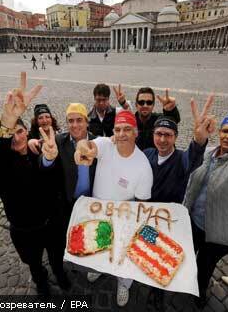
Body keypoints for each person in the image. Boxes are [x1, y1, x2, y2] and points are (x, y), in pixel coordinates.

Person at [0, 72, 69, 295]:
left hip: (49, 223)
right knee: (34, 262)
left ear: (27, 131)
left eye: (20, 131)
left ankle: (59, 273)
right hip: (24, 229)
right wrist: (7, 121)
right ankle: (41, 280)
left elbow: (53, 181)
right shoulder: (2, 164)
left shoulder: (39, 151)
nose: (17, 137)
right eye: (11, 134)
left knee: (55, 255)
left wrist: (50, 160)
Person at [75, 110, 153, 307]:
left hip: (124, 218)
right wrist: (84, 149)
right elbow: (85, 144)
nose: (121, 134)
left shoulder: (143, 166)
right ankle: (99, 268)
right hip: (97, 212)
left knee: (122, 253)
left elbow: (142, 205)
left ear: (136, 132)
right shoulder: (105, 144)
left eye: (127, 129)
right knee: (99, 242)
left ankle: (124, 283)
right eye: (117, 129)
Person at [184, 112, 228, 306]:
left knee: (204, 264)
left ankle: (200, 289)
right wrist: (198, 141)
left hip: (219, 233)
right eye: (225, 130)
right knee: (186, 255)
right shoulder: (208, 153)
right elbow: (190, 170)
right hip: (194, 221)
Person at [146, 94, 215, 204]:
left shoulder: (182, 159)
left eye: (168, 135)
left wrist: (199, 139)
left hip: (171, 216)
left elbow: (194, 156)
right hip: (146, 213)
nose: (162, 139)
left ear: (176, 137)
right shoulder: (147, 154)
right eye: (158, 134)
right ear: (153, 135)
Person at [42, 103, 97, 230]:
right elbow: (45, 162)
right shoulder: (58, 141)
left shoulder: (96, 143)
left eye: (79, 120)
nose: (75, 125)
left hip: (92, 202)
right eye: (71, 121)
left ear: (87, 122)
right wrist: (47, 159)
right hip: (67, 203)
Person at [114, 85, 181, 150]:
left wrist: (171, 110)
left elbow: (173, 120)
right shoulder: (131, 123)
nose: (145, 105)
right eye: (141, 102)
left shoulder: (159, 121)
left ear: (153, 105)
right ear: (136, 105)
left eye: (149, 102)